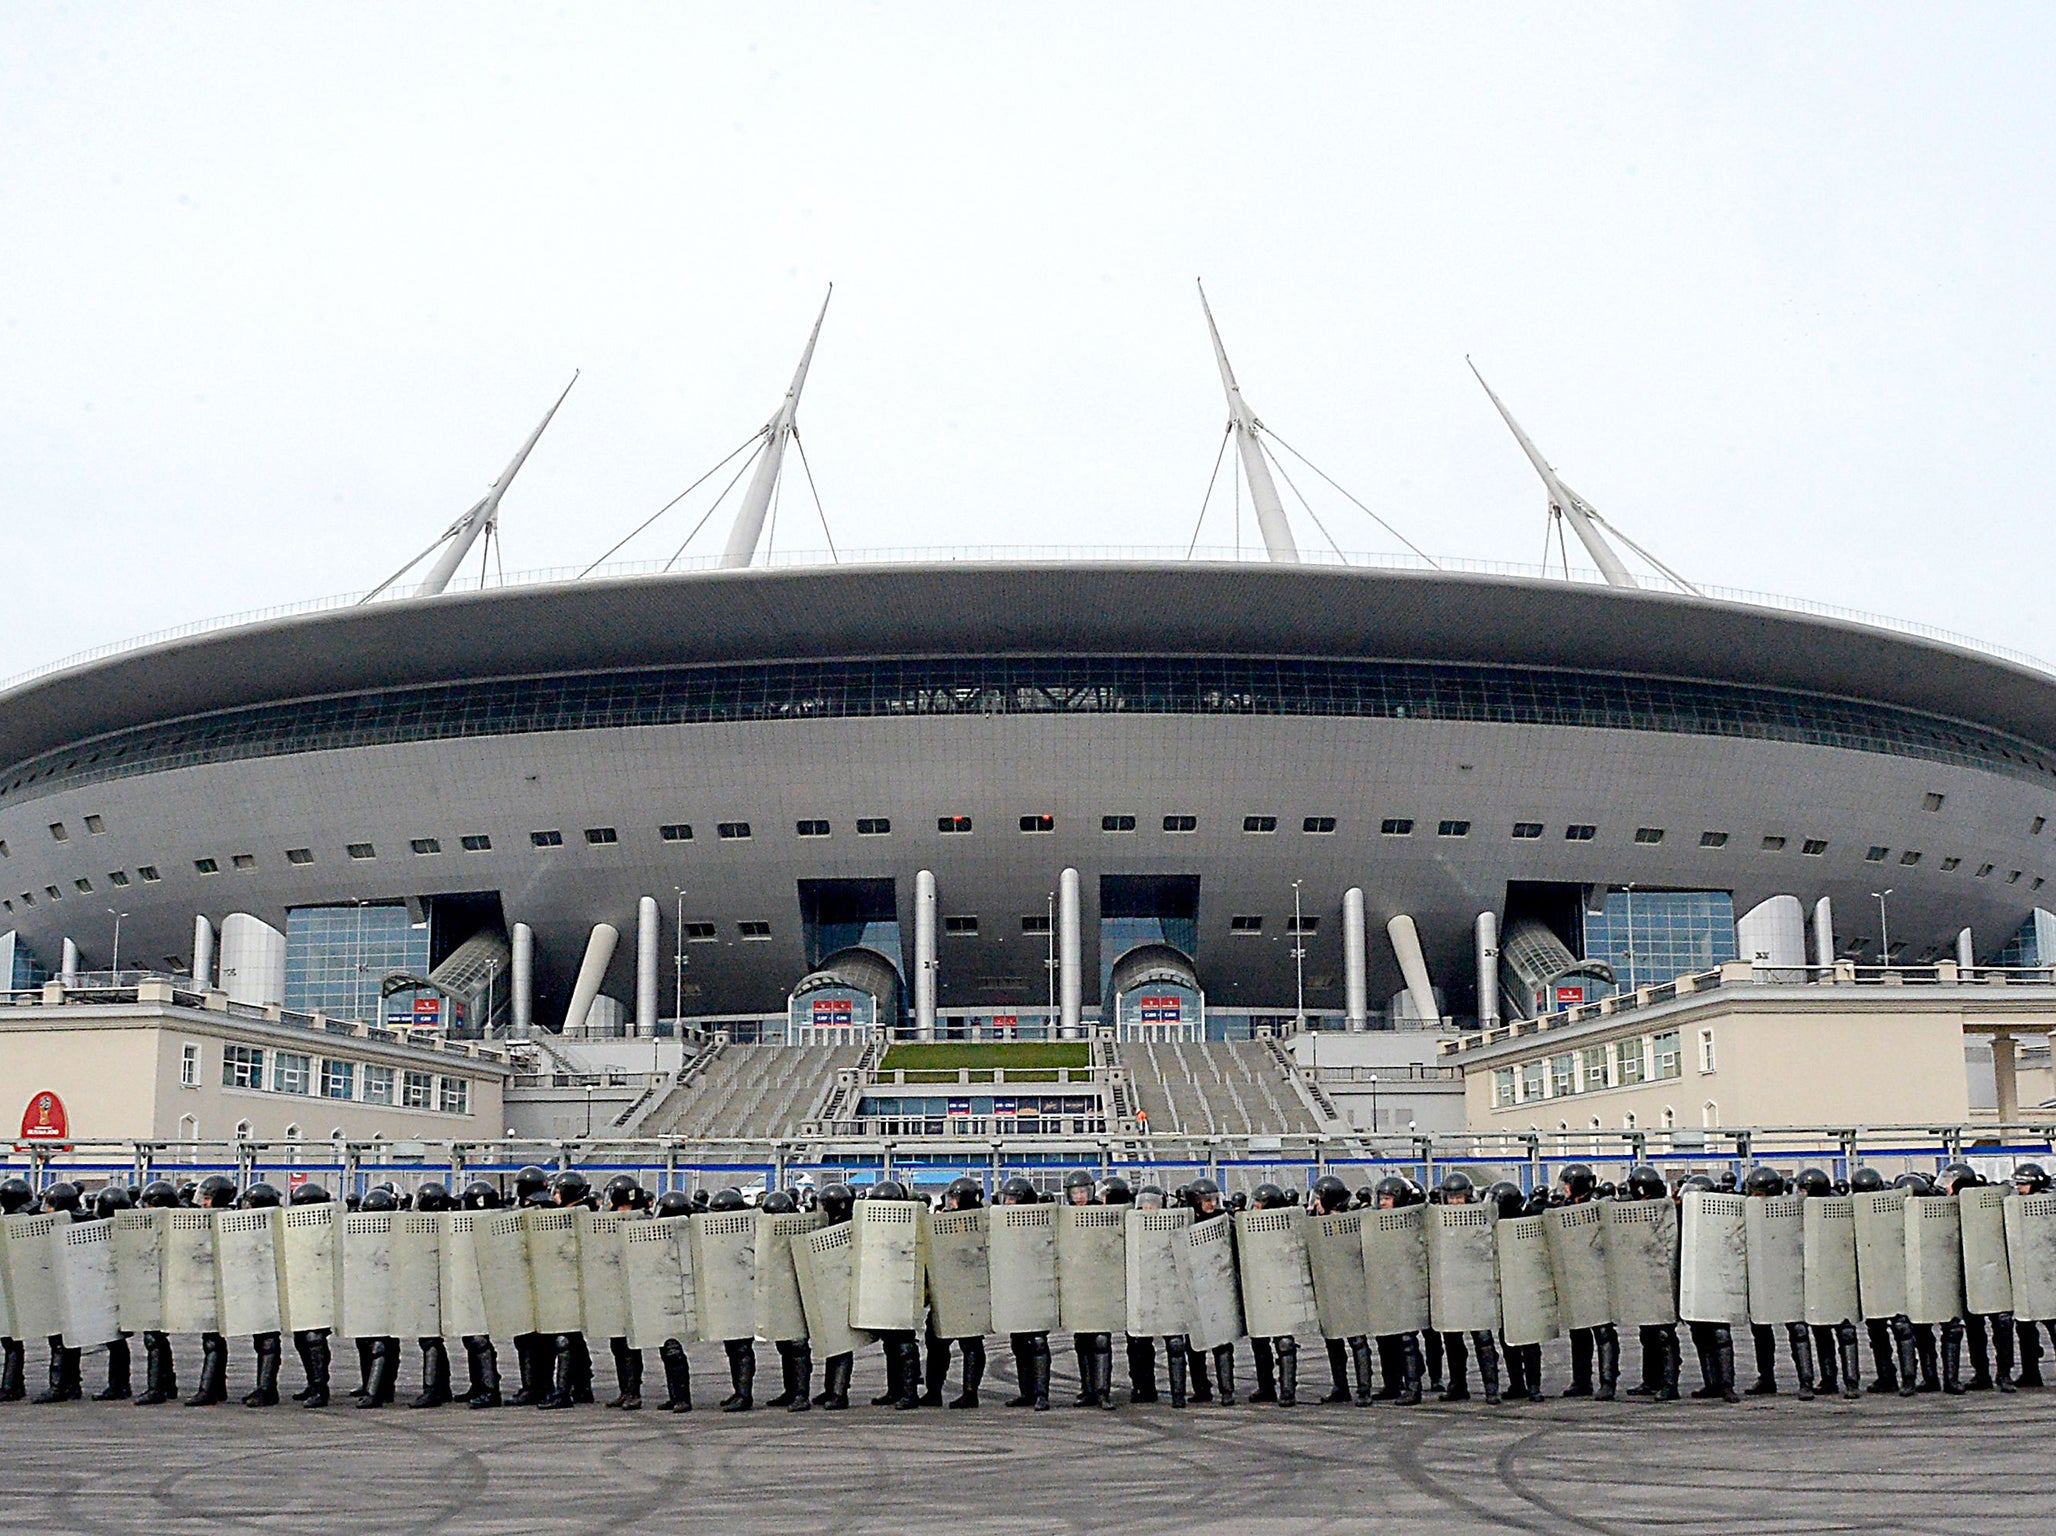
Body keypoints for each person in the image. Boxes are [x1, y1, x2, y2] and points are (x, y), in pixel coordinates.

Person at [1734, 1167, 1814, 1399]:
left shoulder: (1793, 1208)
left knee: (1798, 1329)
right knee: (1761, 1329)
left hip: (1788, 1275)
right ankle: (1766, 1377)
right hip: (1760, 1274)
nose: (1756, 1198)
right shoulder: (1747, 1210)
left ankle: (1805, 1380)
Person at [1936, 1163, 2013, 1392]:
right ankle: (1982, 1374)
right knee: (1974, 1327)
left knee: (2001, 1323)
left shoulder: (1988, 1202)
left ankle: (2004, 1374)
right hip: (1965, 1272)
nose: (1946, 1188)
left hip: (1991, 1270)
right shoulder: (1947, 1206)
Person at [1790, 1167, 1861, 1400]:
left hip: (1837, 1274)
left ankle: (1851, 1381)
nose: (1798, 1194)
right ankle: (1826, 1379)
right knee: (1818, 1330)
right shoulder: (1797, 1211)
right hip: (1811, 1275)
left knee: (1844, 1329)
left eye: (1802, 1189)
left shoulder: (1841, 1208)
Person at [1430, 1172, 1500, 1405]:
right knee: (1452, 1339)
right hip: (1451, 1284)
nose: (1455, 1202)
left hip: (1476, 1284)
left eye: (1459, 1197)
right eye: (1451, 1198)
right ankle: (1457, 1385)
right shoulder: (1439, 1220)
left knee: (1483, 1338)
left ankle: (1492, 1388)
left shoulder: (1479, 1218)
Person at [1552, 1164, 1618, 1402]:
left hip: (1600, 1275)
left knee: (1603, 1330)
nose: (1564, 1189)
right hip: (1576, 1275)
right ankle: (1581, 1380)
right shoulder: (1565, 1208)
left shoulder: (1600, 1205)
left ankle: (1608, 1381)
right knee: (1578, 1331)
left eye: (1567, 1184)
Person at [1614, 1165, 1679, 1402]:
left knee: (1664, 1332)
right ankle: (1651, 1380)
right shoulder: (1641, 1208)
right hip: (1644, 1275)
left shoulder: (1664, 1209)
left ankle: (1670, 1383)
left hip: (1662, 1275)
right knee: (1648, 1332)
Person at [1848, 1167, 1916, 1395]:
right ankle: (1886, 1376)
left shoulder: (1896, 1206)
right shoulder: (1853, 1208)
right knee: (1876, 1328)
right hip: (1870, 1272)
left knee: (1901, 1326)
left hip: (1893, 1270)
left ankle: (1908, 1378)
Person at [922, 1176, 987, 1409]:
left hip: (970, 1291)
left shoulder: (982, 1221)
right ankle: (933, 1391)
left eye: (956, 1199)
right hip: (946, 1291)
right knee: (936, 1341)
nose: (951, 1203)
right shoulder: (944, 1221)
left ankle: (970, 1392)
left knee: (970, 1344)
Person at [1307, 1176, 1372, 1406]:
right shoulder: (1316, 1221)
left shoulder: (1349, 1221)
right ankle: (1340, 1386)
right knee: (1333, 1340)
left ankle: (1364, 1389)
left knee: (1356, 1339)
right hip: (1328, 1287)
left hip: (1350, 1286)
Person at [1676, 1174, 1740, 1403]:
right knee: (1700, 1335)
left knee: (1720, 1334)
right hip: (1694, 1282)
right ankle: (1711, 1382)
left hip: (1717, 1281)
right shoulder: (1682, 1219)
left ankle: (1726, 1385)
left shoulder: (1723, 1215)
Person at [538, 1169, 597, 1410]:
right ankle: (582, 1386)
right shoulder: (572, 1214)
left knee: (564, 1338)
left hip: (571, 1284)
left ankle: (563, 1391)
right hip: (572, 1283)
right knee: (574, 1339)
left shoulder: (578, 1216)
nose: (554, 1195)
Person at [862, 1181, 923, 1410]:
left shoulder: (910, 1224)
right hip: (885, 1290)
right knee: (890, 1344)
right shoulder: (873, 1226)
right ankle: (895, 1390)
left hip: (903, 1289)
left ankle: (909, 1393)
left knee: (904, 1345)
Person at [1059, 1170, 1117, 1410]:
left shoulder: (1103, 1214)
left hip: (1101, 1283)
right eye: (1075, 1193)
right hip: (1077, 1284)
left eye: (1083, 1191)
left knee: (1101, 1339)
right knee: (1082, 1340)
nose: (1079, 1196)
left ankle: (1103, 1391)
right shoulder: (1066, 1216)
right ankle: (1087, 1389)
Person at [229, 1182, 289, 1408]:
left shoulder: (277, 1227)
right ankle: (263, 1386)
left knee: (267, 1341)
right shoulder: (250, 1227)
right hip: (257, 1288)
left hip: (270, 1290)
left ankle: (267, 1389)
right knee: (261, 1340)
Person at [997, 1176, 1053, 1411]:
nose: (1008, 1203)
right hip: (1014, 1288)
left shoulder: (1041, 1221)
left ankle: (1042, 1394)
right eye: (1006, 1199)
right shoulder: (1001, 1223)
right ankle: (1026, 1392)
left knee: (1037, 1342)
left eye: (1012, 1199)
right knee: (1018, 1343)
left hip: (1037, 1288)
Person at [1485, 1181, 1543, 1403]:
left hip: (1524, 1286)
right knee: (1508, 1339)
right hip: (1506, 1288)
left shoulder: (1527, 1223)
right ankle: (1518, 1384)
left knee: (1528, 1341)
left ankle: (1533, 1385)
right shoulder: (1493, 1227)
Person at [1181, 1179, 1237, 1406]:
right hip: (1194, 1288)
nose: (1211, 1204)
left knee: (1222, 1342)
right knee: (1194, 1345)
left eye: (1213, 1199)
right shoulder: (1185, 1221)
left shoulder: (1225, 1221)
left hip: (1219, 1284)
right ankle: (1201, 1388)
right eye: (1206, 1200)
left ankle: (1227, 1390)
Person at [30, 1181, 86, 1404]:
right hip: (77, 1289)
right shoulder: (86, 1222)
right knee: (70, 1341)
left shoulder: (61, 1225)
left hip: (62, 1288)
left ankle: (58, 1385)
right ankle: (72, 1385)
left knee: (59, 1341)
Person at [284, 1182, 337, 1408]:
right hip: (303, 1287)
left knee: (314, 1338)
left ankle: (320, 1388)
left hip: (321, 1291)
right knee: (301, 1338)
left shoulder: (329, 1228)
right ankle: (312, 1383)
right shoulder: (295, 1228)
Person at [1893, 1172, 1946, 1394]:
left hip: (1932, 1277)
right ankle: (1910, 1378)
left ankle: (1933, 1378)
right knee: (1908, 1329)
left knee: (1937, 1330)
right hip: (1904, 1277)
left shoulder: (1936, 1215)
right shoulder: (1891, 1217)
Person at [407, 1181, 458, 1408]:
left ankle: (433, 1389)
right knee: (431, 1339)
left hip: (438, 1286)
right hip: (438, 1286)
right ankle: (442, 1387)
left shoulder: (436, 1226)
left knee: (430, 1338)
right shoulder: (450, 1223)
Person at [506, 1165, 553, 1407]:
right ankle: (545, 1386)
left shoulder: (531, 1209)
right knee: (543, 1339)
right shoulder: (552, 1208)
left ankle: (533, 1386)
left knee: (528, 1339)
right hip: (548, 1281)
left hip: (531, 1279)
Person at [455, 1180, 505, 1408]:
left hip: (487, 1286)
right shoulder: (473, 1225)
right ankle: (479, 1385)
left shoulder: (493, 1225)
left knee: (479, 1340)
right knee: (471, 1337)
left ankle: (489, 1388)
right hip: (474, 1284)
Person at [353, 1185, 403, 1408]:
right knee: (366, 1340)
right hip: (367, 1290)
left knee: (380, 1343)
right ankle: (373, 1386)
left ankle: (377, 1390)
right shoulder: (360, 1232)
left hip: (387, 1292)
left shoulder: (400, 1231)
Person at [809, 1183, 856, 1410]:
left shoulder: (849, 1228)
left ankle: (839, 1393)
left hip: (843, 1291)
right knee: (833, 1344)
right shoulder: (830, 1227)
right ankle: (830, 1389)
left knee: (841, 1344)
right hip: (830, 1290)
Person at [648, 1189, 695, 1412]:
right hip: (664, 1294)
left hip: (678, 1297)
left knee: (672, 1348)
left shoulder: (689, 1238)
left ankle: (682, 1398)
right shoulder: (661, 1235)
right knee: (666, 1348)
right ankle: (675, 1394)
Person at [2009, 1164, 2056, 1386]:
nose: (2020, 1188)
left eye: (2024, 1184)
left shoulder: (2049, 1204)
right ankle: (2030, 1373)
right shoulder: (2015, 1206)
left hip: (2047, 1274)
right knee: (2025, 1327)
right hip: (2026, 1274)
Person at [0, 1175, 31, 1401]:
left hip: (13, 1287)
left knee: (10, 1340)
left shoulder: (13, 1223)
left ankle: (12, 1386)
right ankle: (13, 1385)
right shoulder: (32, 1220)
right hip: (20, 1286)